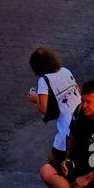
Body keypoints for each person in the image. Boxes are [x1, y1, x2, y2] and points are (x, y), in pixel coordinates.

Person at [29, 46, 81, 175]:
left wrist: (35, 100)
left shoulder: (44, 80)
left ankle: (62, 184)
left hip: (67, 128)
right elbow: (78, 91)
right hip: (81, 116)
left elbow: (43, 109)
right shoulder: (65, 71)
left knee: (53, 159)